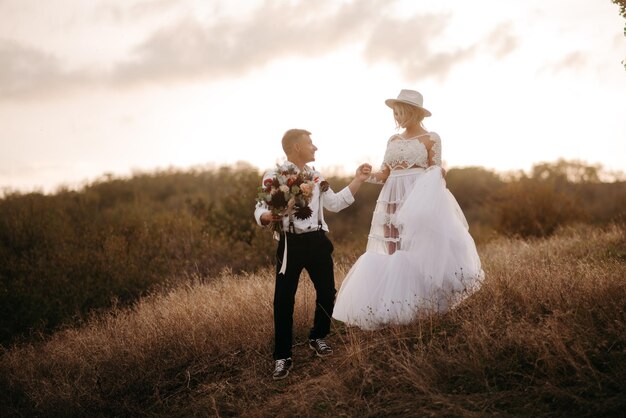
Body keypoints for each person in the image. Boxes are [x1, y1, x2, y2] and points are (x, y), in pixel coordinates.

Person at [332, 89, 484, 330]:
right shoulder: (393, 140)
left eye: (400, 112)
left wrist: (435, 180)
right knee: (393, 250)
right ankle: (394, 309)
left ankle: (420, 308)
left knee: (417, 248)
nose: (397, 116)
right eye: (395, 112)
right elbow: (385, 174)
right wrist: (366, 175)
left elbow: (436, 171)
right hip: (392, 197)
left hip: (419, 197)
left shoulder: (431, 138)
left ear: (414, 112)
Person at [254, 128, 371, 380]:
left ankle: (318, 337)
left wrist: (358, 179)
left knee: (328, 293)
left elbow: (336, 204)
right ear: (296, 147)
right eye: (310, 143)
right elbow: (260, 208)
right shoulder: (274, 175)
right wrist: (267, 216)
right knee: (283, 301)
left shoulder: (317, 176)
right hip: (289, 243)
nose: (315, 147)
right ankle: (282, 357)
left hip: (317, 240)